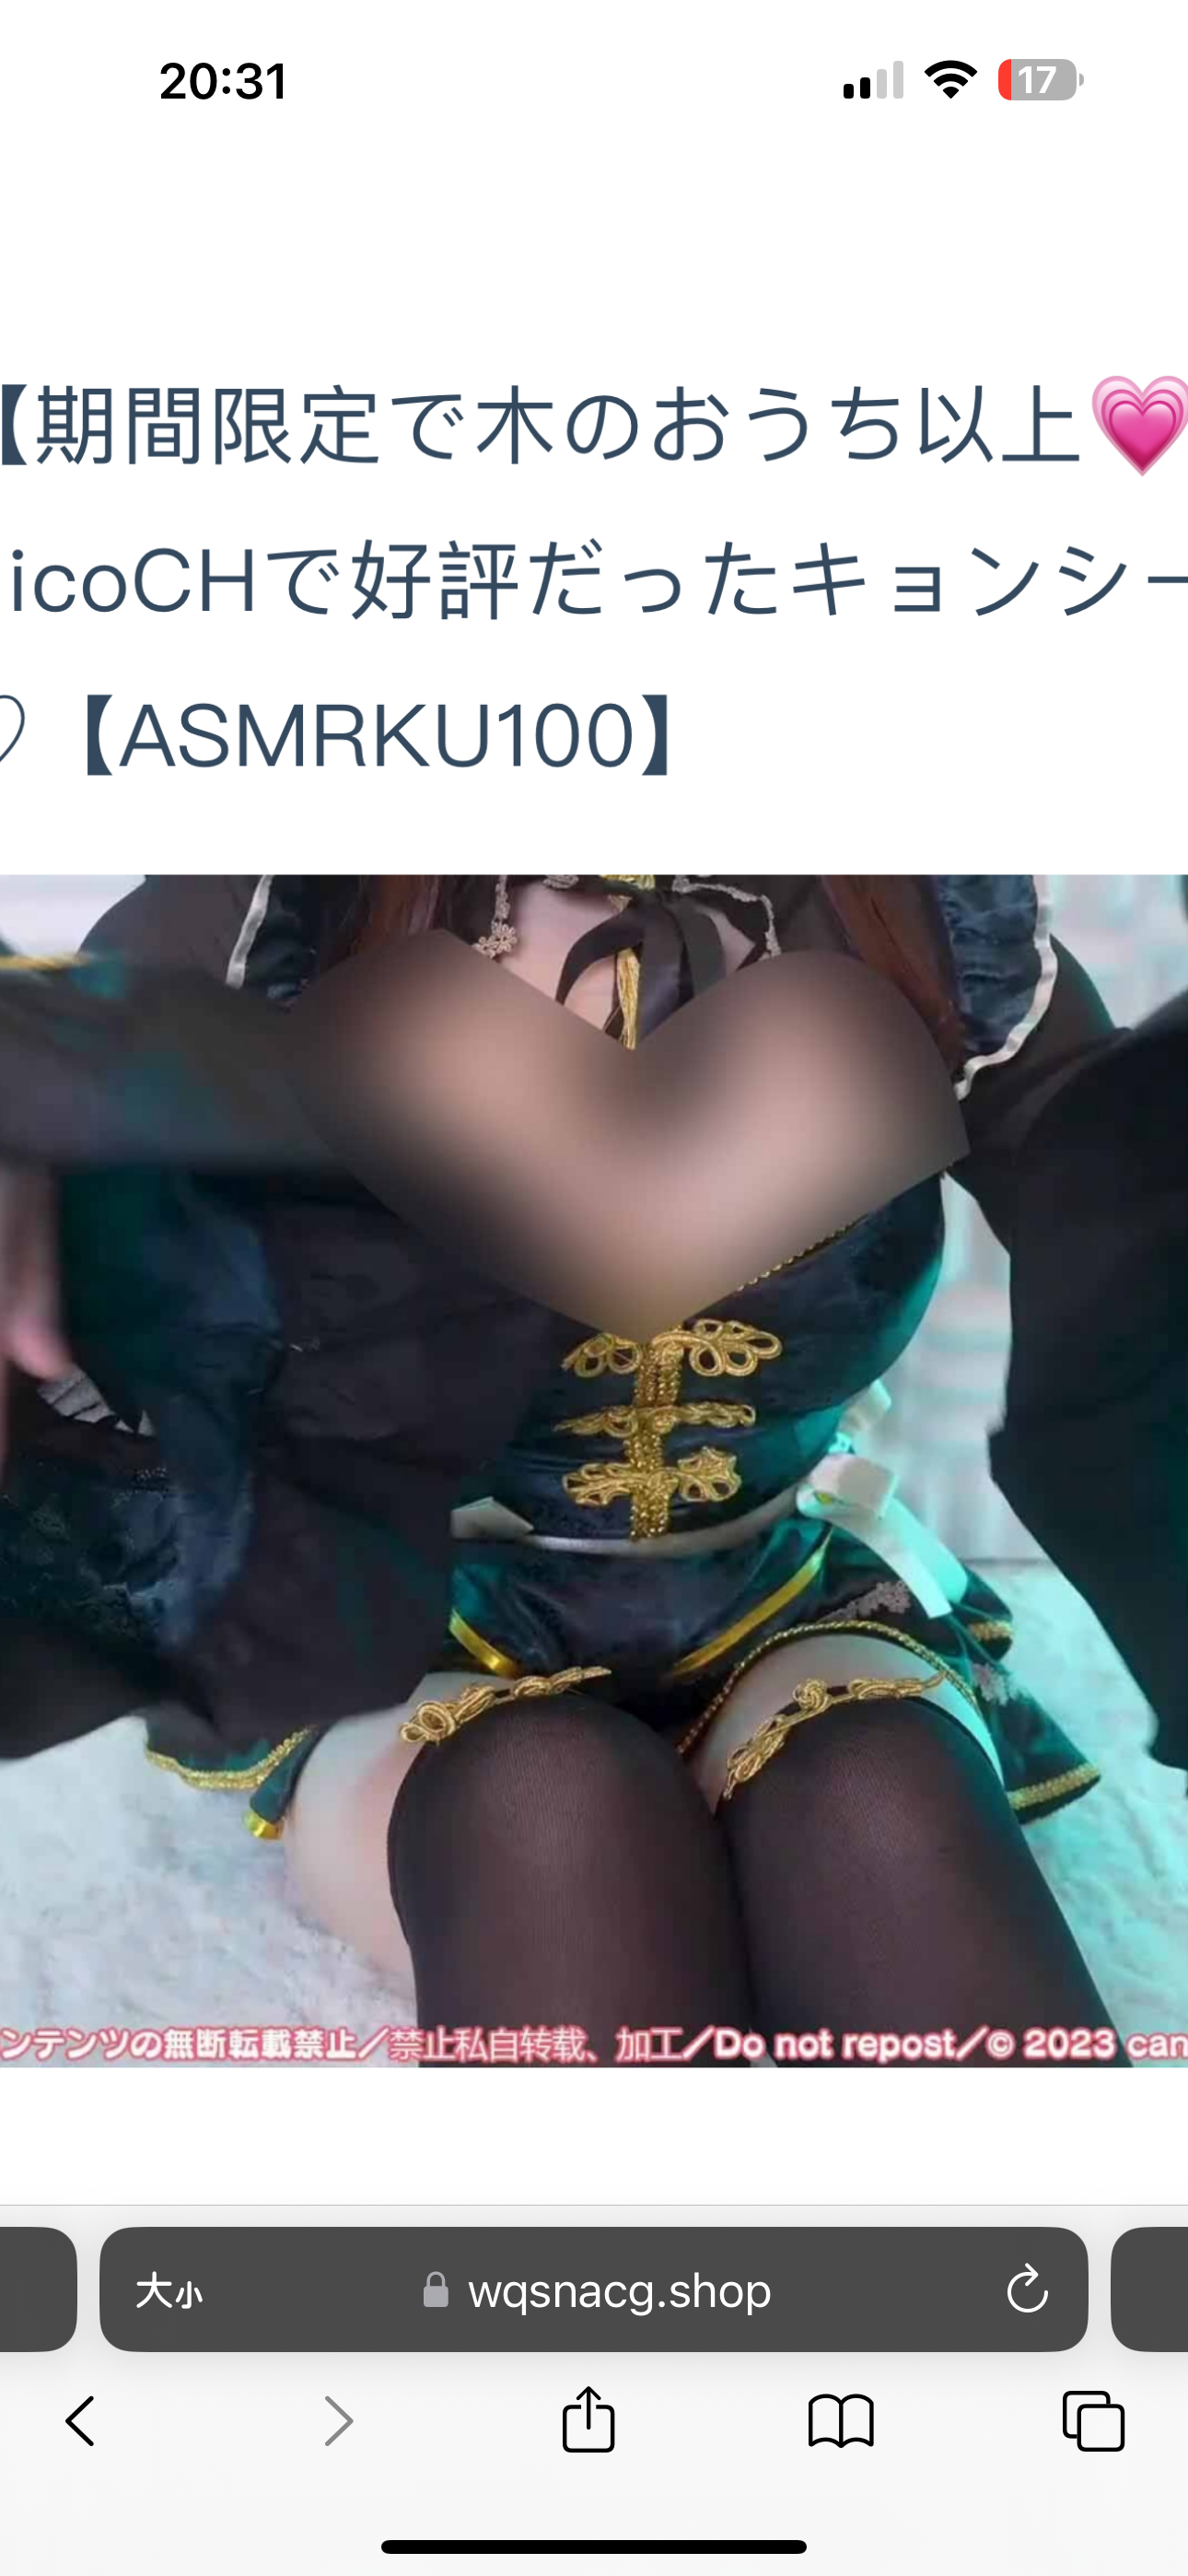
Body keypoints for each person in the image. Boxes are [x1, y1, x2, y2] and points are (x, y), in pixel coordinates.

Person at [0, 872, 1183, 2065]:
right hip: (416, 1635)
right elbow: (60, 1055)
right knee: (553, 1805)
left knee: (883, 1795)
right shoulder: (281, 914)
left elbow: (1126, 1198)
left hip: (781, 1594)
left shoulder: (925, 923)